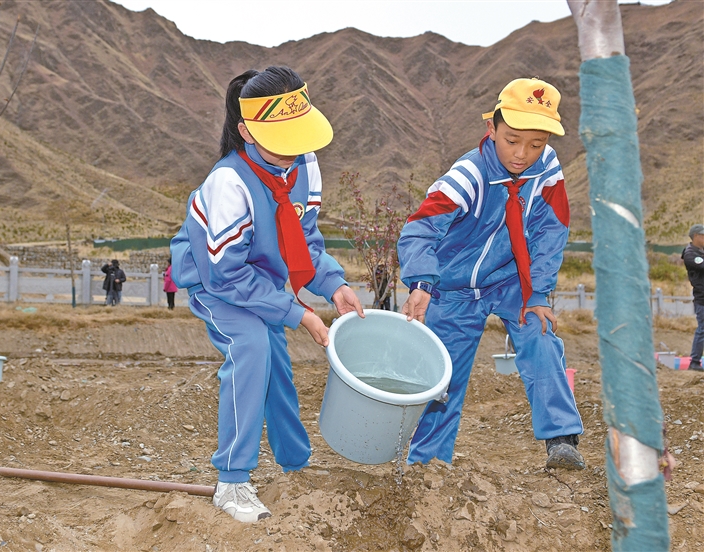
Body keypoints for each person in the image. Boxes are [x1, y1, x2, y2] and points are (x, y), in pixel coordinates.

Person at [170, 66, 364, 523]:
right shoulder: (229, 183)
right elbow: (226, 276)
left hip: (260, 278)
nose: (295, 147)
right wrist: (297, 313)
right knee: (252, 346)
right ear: (247, 131)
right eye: (283, 137)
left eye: (301, 134)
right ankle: (232, 480)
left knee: (276, 360)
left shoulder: (304, 164)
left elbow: (305, 238)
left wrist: (333, 284)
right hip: (214, 281)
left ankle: (295, 465)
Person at [397, 77, 584, 470]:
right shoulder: (468, 175)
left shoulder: (547, 168)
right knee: (443, 375)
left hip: (511, 279)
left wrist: (538, 292)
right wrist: (421, 282)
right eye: (512, 140)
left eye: (536, 144)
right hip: (454, 288)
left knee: (540, 335)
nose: (522, 154)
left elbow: (552, 229)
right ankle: (428, 464)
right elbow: (419, 229)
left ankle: (562, 440)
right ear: (492, 129)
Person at [683, 224, 704, 371]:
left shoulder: (701, 252)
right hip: (702, 298)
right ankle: (694, 362)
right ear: (696, 236)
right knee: (702, 329)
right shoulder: (690, 254)